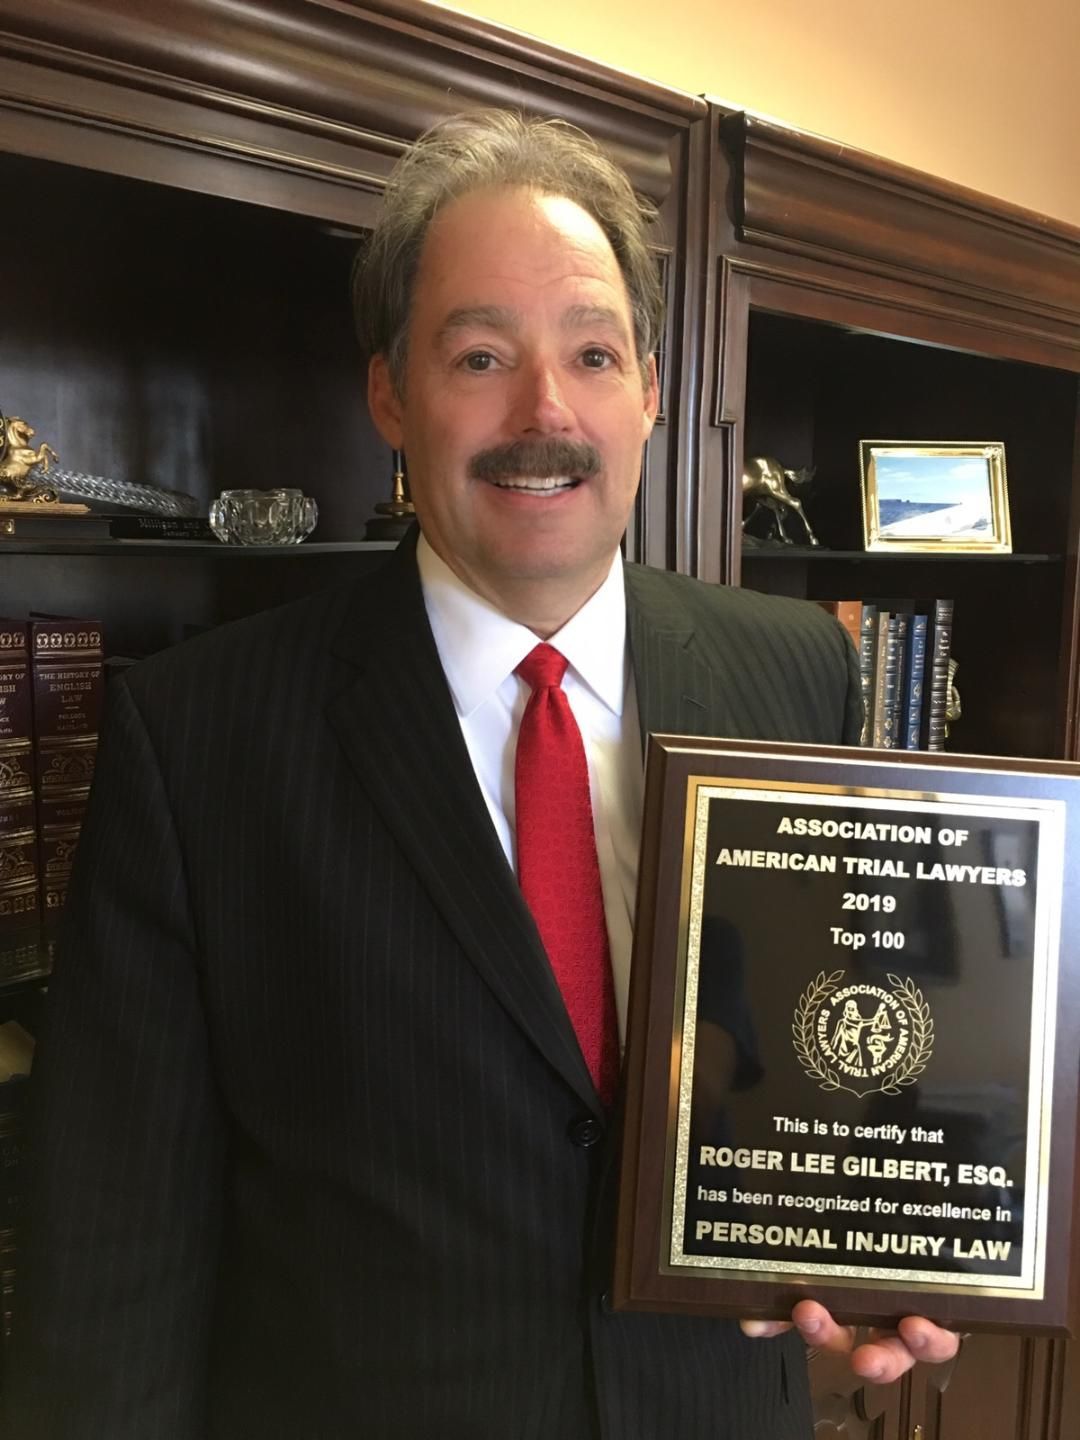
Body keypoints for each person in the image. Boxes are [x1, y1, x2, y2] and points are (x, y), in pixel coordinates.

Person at [4, 109, 959, 1439]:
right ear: (390, 391)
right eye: (479, 355)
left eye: (590, 351)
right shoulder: (196, 737)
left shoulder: (794, 669)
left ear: (651, 392)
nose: (545, 414)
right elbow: (112, 1265)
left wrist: (879, 1242)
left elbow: (823, 1049)